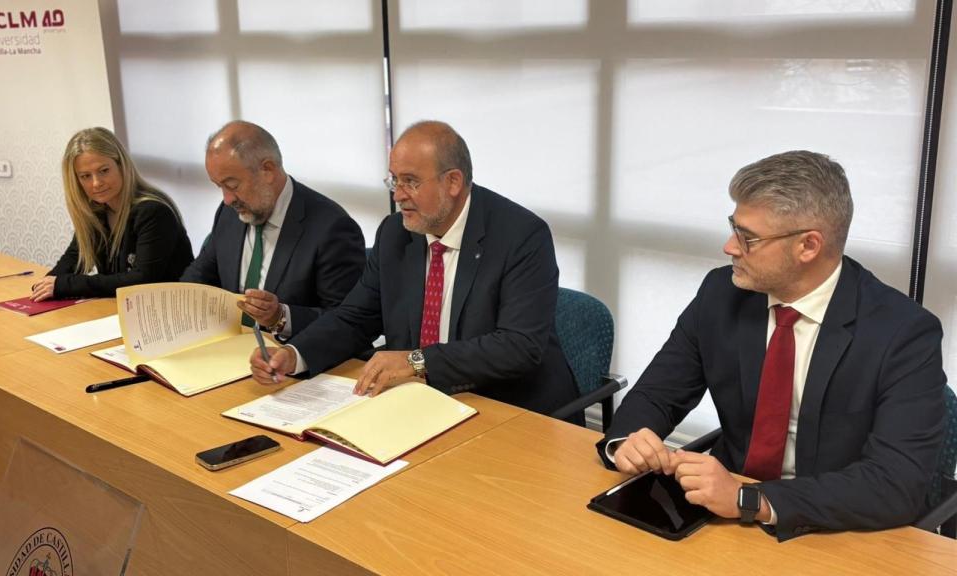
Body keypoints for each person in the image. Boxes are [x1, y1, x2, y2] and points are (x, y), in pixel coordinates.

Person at [596, 151, 946, 540]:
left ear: (808, 246)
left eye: (748, 238)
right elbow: (659, 393)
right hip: (722, 514)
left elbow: (895, 483)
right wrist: (629, 441)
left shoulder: (903, 333)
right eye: (734, 227)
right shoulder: (721, 293)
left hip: (830, 527)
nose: (730, 246)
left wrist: (750, 499)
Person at [250, 120, 579, 419]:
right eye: (394, 180)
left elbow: (518, 346)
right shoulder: (395, 233)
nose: (397, 195)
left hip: (507, 408)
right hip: (418, 405)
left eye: (410, 182)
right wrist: (296, 354)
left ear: (453, 182)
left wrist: (417, 362)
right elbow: (355, 318)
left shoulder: (521, 236)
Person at [180, 121, 365, 336]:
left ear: (267, 170)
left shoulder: (331, 228)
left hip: (290, 350)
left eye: (232, 185)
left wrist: (281, 317)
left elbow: (349, 321)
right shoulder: (228, 213)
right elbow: (198, 278)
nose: (227, 199)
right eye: (219, 186)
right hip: (230, 344)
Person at [32, 127, 193, 301]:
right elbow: (73, 259)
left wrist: (65, 285)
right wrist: (47, 283)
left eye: (104, 171)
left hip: (169, 308)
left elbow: (142, 280)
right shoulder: (97, 211)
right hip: (125, 308)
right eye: (85, 176)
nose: (96, 183)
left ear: (121, 165)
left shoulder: (153, 212)